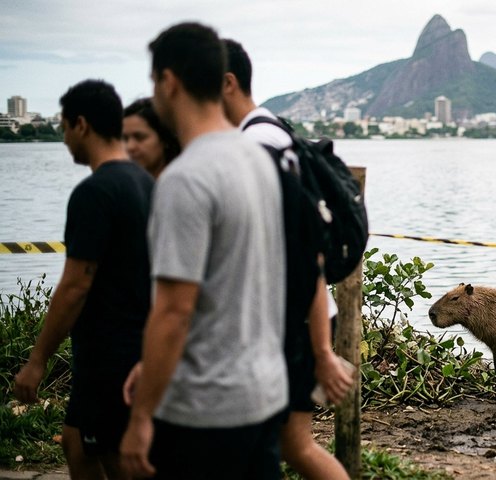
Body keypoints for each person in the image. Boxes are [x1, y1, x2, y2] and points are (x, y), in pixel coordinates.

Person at [119, 22, 288, 480]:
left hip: (204, 410)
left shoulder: (186, 178)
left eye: (154, 81)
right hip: (264, 393)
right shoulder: (258, 158)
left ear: (168, 81)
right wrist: (151, 366)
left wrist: (140, 418)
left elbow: (174, 310)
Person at [221, 38, 354, 480]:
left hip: (293, 318)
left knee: (282, 446)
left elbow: (302, 253)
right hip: (295, 315)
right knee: (290, 445)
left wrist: (322, 353)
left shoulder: (260, 145)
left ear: (227, 84)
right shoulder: (268, 132)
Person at [13, 79, 154, 480]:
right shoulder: (145, 182)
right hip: (136, 345)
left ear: (81, 124)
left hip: (111, 355)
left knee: (108, 455)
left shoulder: (95, 193)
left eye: (63, 128)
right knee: (80, 443)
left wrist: (37, 360)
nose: (63, 139)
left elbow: (75, 285)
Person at [122, 97, 180, 178]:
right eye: (125, 139)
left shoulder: (184, 178)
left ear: (164, 139)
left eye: (139, 137)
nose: (130, 147)